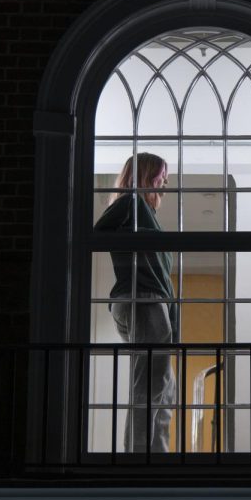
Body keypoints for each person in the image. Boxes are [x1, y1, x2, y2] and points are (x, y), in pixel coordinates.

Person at [93, 152, 177, 453]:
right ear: (145, 174)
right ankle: (138, 459)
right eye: (160, 177)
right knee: (150, 386)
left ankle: (155, 453)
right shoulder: (131, 202)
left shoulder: (143, 214)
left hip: (147, 302)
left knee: (165, 388)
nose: (164, 184)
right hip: (142, 299)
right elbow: (98, 232)